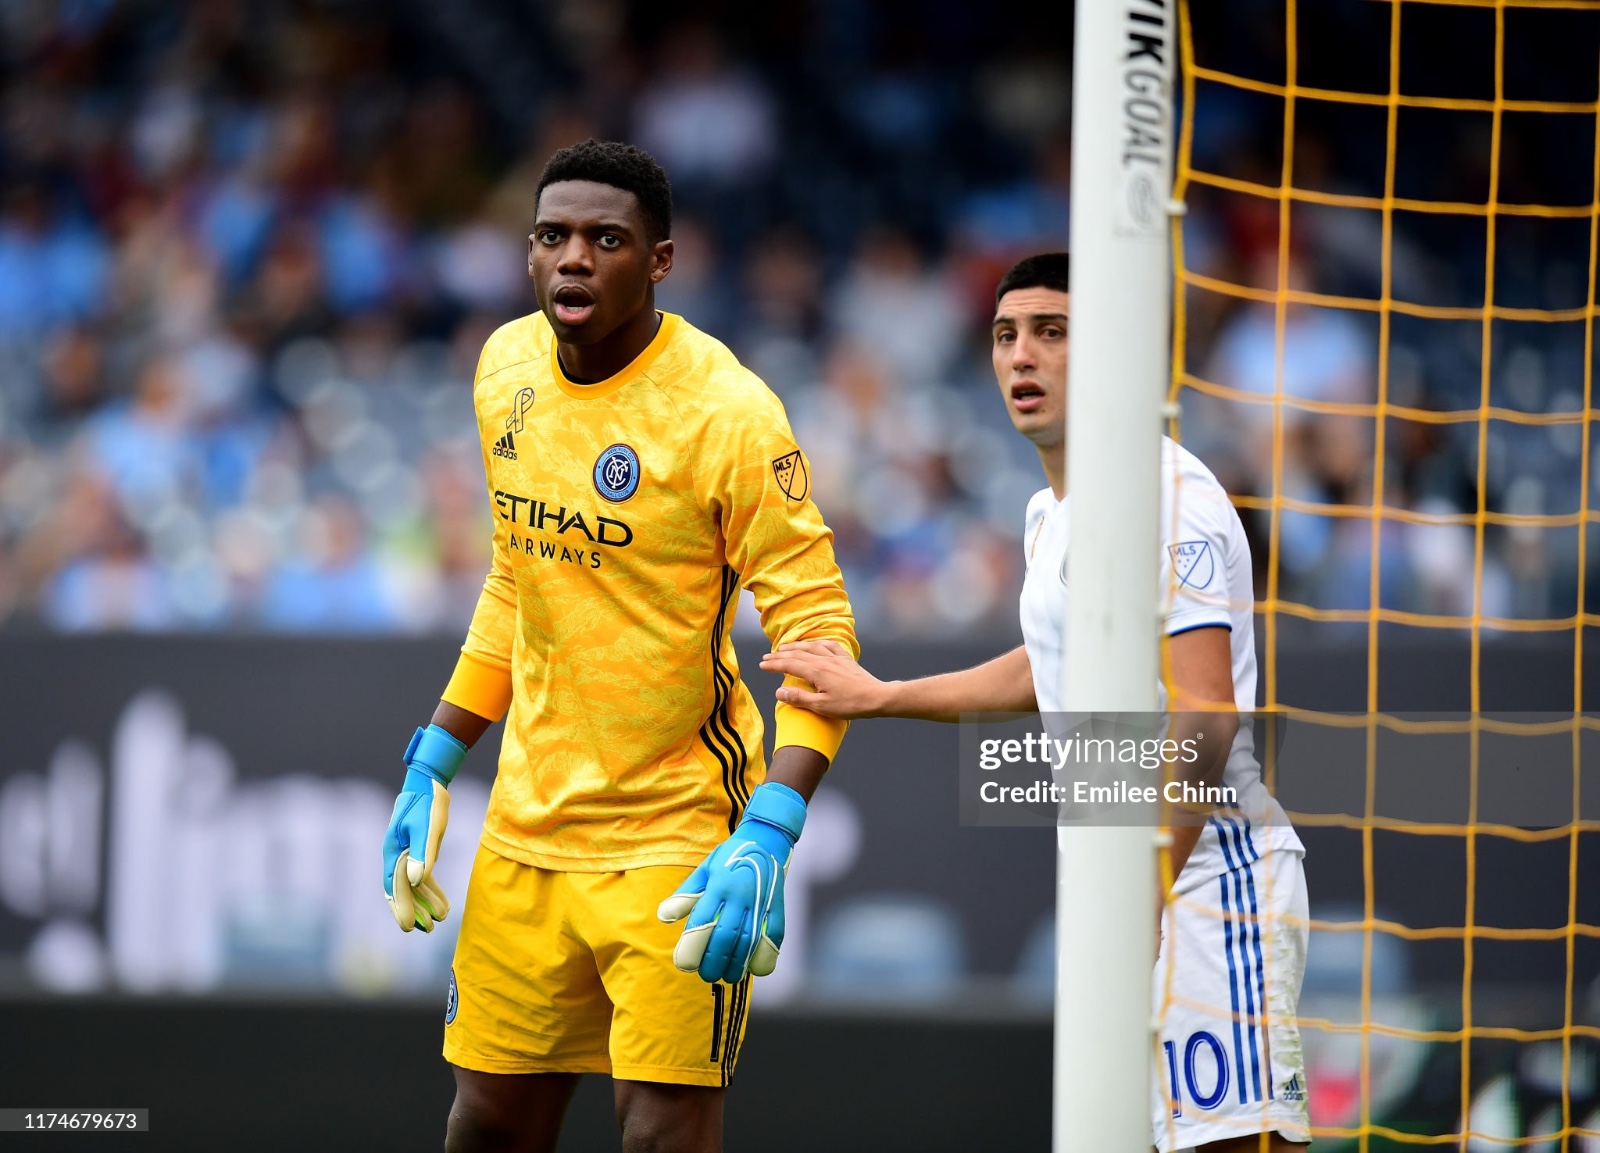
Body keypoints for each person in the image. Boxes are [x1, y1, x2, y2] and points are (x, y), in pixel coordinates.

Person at [760, 253, 1311, 1152]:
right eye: (1006, 335)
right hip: (1123, 886)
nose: (1023, 356)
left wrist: (1142, 893)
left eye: (1053, 332)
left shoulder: (1171, 494)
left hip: (1210, 883)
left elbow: (1205, 713)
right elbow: (1047, 662)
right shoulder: (1049, 513)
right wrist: (883, 694)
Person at [381, 139, 856, 1153]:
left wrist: (771, 824)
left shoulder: (727, 414)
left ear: (662, 260)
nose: (573, 260)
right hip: (526, 833)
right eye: (551, 236)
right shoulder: (503, 366)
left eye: (607, 239)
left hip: (680, 838)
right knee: (487, 1124)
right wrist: (435, 756)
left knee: (660, 1134)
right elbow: (517, 578)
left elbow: (816, 629)